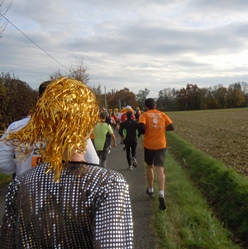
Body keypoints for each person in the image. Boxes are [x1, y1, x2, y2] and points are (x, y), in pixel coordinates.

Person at [0, 77, 133, 248]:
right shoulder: (108, 184)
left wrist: (20, 169)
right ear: (85, 120)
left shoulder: (18, 185)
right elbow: (93, 161)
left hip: (29, 194)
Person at [0, 80, 99, 177]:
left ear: (39, 100)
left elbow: (2, 162)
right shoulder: (74, 128)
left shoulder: (16, 127)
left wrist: (20, 168)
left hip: (25, 188)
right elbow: (93, 161)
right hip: (62, 189)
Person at [138, 98, 174, 210]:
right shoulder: (162, 114)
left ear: (146, 107)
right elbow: (172, 127)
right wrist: (161, 129)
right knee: (160, 168)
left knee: (150, 166)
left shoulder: (145, 115)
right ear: (155, 105)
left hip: (149, 145)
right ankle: (162, 193)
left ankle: (151, 189)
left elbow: (141, 128)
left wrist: (145, 130)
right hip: (161, 145)